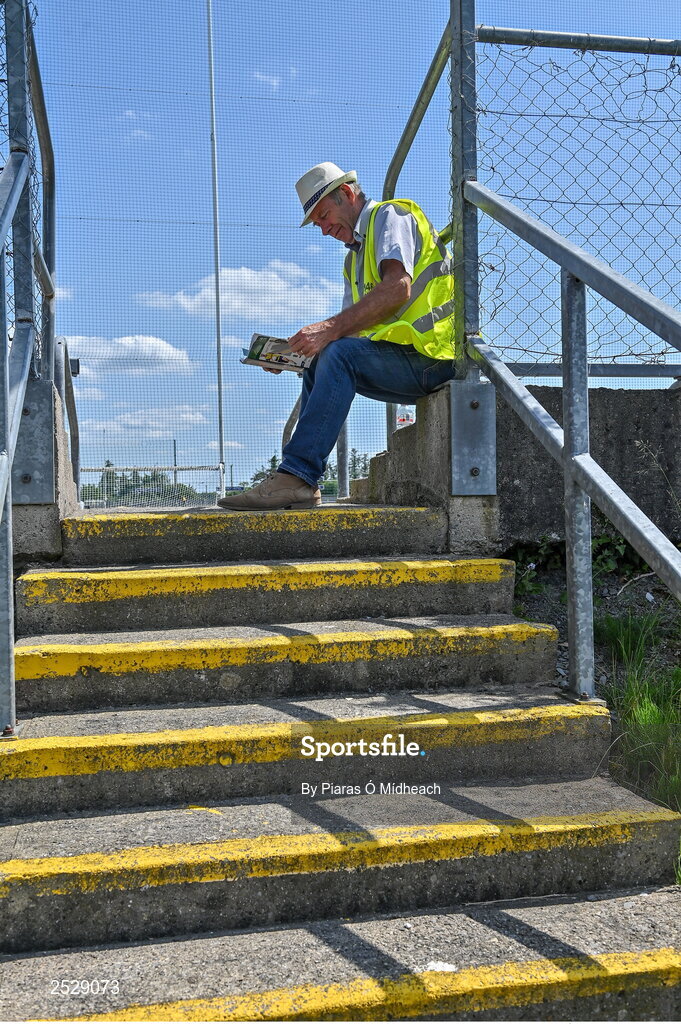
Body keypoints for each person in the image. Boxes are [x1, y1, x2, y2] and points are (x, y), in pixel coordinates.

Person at [218, 161, 456, 511]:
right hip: (406, 359)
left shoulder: (391, 216)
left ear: (347, 193)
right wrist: (294, 356)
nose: (324, 229)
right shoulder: (353, 262)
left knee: (338, 353)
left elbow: (397, 289)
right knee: (325, 358)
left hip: (436, 356)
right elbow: (351, 330)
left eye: (324, 216)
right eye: (317, 224)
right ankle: (300, 480)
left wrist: (327, 331)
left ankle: (297, 474)